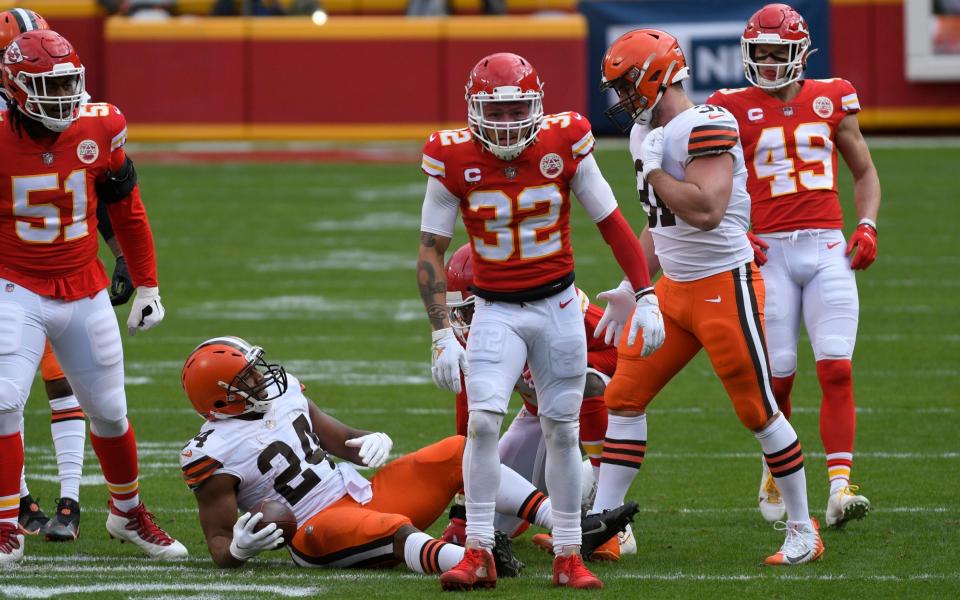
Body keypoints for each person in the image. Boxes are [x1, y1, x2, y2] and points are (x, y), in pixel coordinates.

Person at [417, 52, 664, 590]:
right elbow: (432, 249)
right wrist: (440, 330)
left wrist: (645, 293)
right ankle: (479, 550)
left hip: (557, 306)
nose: (506, 124)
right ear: (474, 110)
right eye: (495, 113)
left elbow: (613, 222)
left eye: (516, 111)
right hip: (494, 309)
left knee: (561, 430)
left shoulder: (566, 140)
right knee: (481, 423)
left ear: (536, 107)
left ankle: (569, 556)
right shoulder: (451, 155)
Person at [593, 28, 823, 566]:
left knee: (758, 411)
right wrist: (635, 285)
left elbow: (705, 210)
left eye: (627, 84)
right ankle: (606, 526)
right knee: (623, 398)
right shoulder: (645, 133)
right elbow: (661, 223)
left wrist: (653, 166)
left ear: (655, 74)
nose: (622, 98)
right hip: (672, 289)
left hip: (725, 284)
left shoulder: (710, 123)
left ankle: (802, 530)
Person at [178, 336, 633, 582]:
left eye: (256, 368)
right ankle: (470, 560)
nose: (261, 379)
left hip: (358, 492)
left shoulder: (283, 395)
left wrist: (369, 439)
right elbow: (219, 545)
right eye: (247, 378)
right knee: (394, 531)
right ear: (221, 401)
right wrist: (238, 548)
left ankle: (570, 527)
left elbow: (336, 438)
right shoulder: (211, 454)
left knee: (458, 451)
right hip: (314, 530)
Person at [0, 29, 186, 564]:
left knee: (109, 411)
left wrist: (148, 281)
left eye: (66, 83)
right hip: (15, 286)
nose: (60, 96)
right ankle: (6, 523)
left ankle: (127, 513)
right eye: (46, 85)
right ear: (15, 89)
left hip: (84, 287)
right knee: (6, 401)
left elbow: (127, 207)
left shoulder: (100, 125)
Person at [706, 3, 878, 528]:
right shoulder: (727, 107)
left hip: (826, 248)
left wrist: (867, 224)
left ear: (802, 53)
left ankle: (840, 487)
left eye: (779, 52)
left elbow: (865, 171)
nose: (769, 61)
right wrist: (740, 231)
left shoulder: (832, 97)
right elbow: (715, 183)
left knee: (837, 368)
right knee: (777, 377)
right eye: (760, 52)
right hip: (770, 254)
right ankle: (773, 464)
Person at [0, 8, 135, 542]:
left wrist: (120, 251)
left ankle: (70, 500)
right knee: (7, 396)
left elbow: (89, 185)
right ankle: (20, 501)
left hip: (66, 272)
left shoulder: (68, 108)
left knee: (68, 384)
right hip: (14, 271)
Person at [439, 243, 636, 562]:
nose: (464, 320)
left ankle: (611, 515)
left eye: (472, 309)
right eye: (460, 311)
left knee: (588, 383)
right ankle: (580, 496)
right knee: (490, 518)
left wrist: (562, 368)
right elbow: (467, 439)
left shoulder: (560, 305)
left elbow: (625, 348)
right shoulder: (474, 341)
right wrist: (461, 518)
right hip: (535, 418)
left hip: (589, 409)